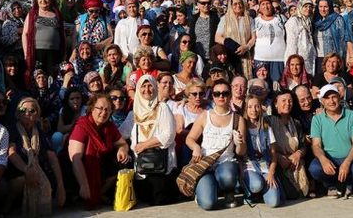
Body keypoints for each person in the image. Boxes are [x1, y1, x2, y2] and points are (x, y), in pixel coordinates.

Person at [186, 79, 248, 210]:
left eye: (225, 93)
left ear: (230, 95)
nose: (221, 96)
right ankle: (205, 190)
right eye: (217, 93)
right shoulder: (204, 116)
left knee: (228, 176)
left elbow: (241, 152)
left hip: (225, 163)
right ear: (212, 96)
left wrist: (240, 143)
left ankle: (228, 191)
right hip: (205, 163)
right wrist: (196, 147)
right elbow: (190, 138)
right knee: (208, 204)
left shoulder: (238, 119)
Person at [120, 75, 179, 205]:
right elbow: (120, 135)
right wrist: (122, 147)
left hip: (161, 167)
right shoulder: (133, 114)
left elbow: (168, 135)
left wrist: (144, 145)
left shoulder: (162, 108)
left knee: (159, 200)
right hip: (141, 169)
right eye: (143, 86)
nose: (147, 89)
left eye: (150, 85)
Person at [68, 93, 131, 209]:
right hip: (77, 169)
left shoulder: (109, 127)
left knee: (124, 161)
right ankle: (81, 193)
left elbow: (122, 143)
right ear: (92, 108)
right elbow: (75, 158)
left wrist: (122, 150)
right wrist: (83, 185)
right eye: (100, 108)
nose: (104, 112)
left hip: (99, 166)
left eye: (107, 109)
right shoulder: (82, 126)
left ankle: (98, 193)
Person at [308, 83, 353, 198]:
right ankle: (331, 185)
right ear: (322, 101)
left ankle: (351, 185)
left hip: (350, 157)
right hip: (329, 158)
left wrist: (347, 162)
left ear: (339, 97)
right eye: (327, 98)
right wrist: (323, 160)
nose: (331, 101)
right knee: (315, 169)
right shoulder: (317, 119)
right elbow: (316, 145)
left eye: (334, 97)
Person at [7, 97, 66, 216]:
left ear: (37, 114)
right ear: (18, 113)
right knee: (21, 181)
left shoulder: (39, 131)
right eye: (23, 110)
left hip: (37, 170)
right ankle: (6, 208)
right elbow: (11, 153)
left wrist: (61, 186)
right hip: (17, 171)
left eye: (32, 111)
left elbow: (52, 156)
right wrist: (27, 170)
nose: (27, 113)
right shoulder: (12, 129)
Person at [241, 95, 284, 208]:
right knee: (256, 185)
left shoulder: (266, 127)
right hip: (250, 166)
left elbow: (273, 155)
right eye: (250, 107)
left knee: (274, 202)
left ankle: (262, 193)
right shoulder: (242, 127)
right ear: (246, 109)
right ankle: (252, 193)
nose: (253, 110)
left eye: (256, 106)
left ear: (261, 108)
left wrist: (271, 173)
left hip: (266, 167)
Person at [269, 90, 310, 198]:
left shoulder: (296, 122)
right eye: (283, 100)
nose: (287, 103)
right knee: (287, 194)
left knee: (298, 193)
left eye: (290, 101)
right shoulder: (268, 121)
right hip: (277, 163)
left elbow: (303, 144)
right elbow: (264, 145)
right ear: (276, 103)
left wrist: (298, 154)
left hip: (295, 163)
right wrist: (278, 157)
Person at [23, 0, 66, 82]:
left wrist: (64, 55)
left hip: (54, 54)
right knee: (38, 79)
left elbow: (62, 35)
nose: (43, 0)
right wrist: (26, 54)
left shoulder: (57, 15)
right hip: (37, 53)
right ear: (36, 0)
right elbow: (25, 34)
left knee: (53, 79)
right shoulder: (32, 14)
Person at [214, 0, 256, 77]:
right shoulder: (225, 19)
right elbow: (217, 37)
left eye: (240, 3)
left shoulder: (249, 19)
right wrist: (230, 44)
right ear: (231, 5)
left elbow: (254, 37)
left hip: (246, 54)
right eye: (235, 4)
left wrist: (247, 47)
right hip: (231, 54)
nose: (238, 5)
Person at [253, 0, 287, 82]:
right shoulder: (255, 21)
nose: (266, 6)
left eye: (268, 3)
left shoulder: (281, 18)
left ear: (272, 6)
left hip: (279, 58)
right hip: (260, 58)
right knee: (262, 85)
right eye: (263, 4)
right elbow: (252, 39)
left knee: (277, 86)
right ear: (259, 8)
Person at [315, 0, 353, 70]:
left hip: (332, 59)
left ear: (330, 7)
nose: (323, 9)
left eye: (325, 7)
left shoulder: (337, 19)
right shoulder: (316, 21)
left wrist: (346, 57)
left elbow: (344, 39)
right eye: (320, 6)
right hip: (318, 59)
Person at [286, 0, 319, 76]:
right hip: (298, 58)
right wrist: (293, 61)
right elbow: (292, 43)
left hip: (308, 57)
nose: (308, 9)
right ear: (300, 7)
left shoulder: (308, 20)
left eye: (310, 6)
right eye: (305, 6)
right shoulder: (294, 21)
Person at [189, 0, 220, 65]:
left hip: (213, 55)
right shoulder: (193, 19)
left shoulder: (216, 17)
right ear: (198, 4)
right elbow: (191, 36)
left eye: (208, 3)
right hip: (198, 56)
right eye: (203, 3)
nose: (206, 5)